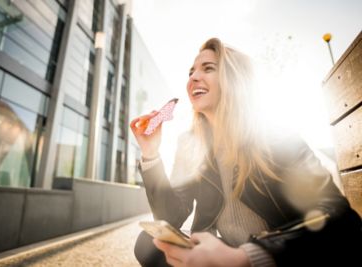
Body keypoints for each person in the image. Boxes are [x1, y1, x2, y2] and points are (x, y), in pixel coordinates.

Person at [130, 37, 362, 267]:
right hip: (223, 252)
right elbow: (170, 218)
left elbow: (340, 218)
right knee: (149, 243)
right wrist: (151, 154)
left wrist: (246, 257)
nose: (193, 77)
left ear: (234, 79)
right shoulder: (191, 144)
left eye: (208, 68)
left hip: (272, 257)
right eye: (191, 72)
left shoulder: (275, 135)